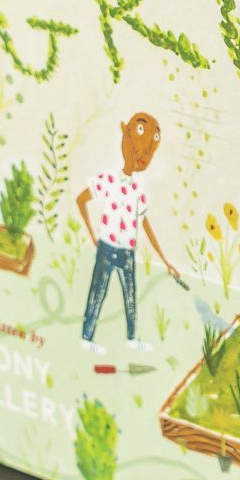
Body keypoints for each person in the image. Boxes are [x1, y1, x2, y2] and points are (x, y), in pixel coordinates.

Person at [76, 112, 180, 355]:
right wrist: (93, 236)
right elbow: (81, 200)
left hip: (127, 252)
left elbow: (144, 224)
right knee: (96, 293)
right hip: (106, 247)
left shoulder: (137, 190)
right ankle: (86, 337)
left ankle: (132, 339)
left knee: (130, 297)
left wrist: (165, 261)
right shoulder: (109, 180)